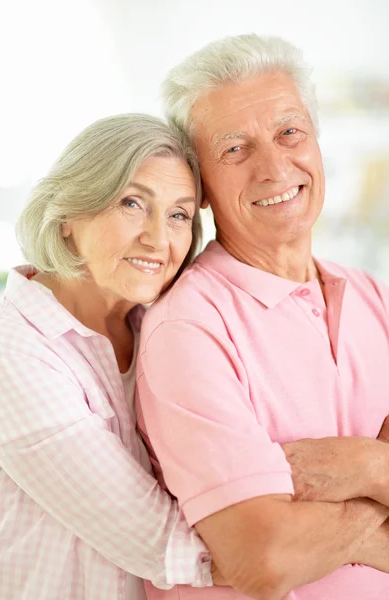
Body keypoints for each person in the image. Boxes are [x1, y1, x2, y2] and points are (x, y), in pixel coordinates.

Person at [136, 34, 389, 600]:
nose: (275, 168)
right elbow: (265, 559)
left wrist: (368, 467)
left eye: (289, 133)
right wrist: (376, 519)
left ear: (316, 141)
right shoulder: (189, 330)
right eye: (235, 149)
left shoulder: (374, 297)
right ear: (199, 185)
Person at [0, 114, 218, 600]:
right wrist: (349, 532)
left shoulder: (165, 333)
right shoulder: (9, 347)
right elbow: (164, 543)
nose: (159, 239)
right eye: (132, 203)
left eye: (179, 214)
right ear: (68, 215)